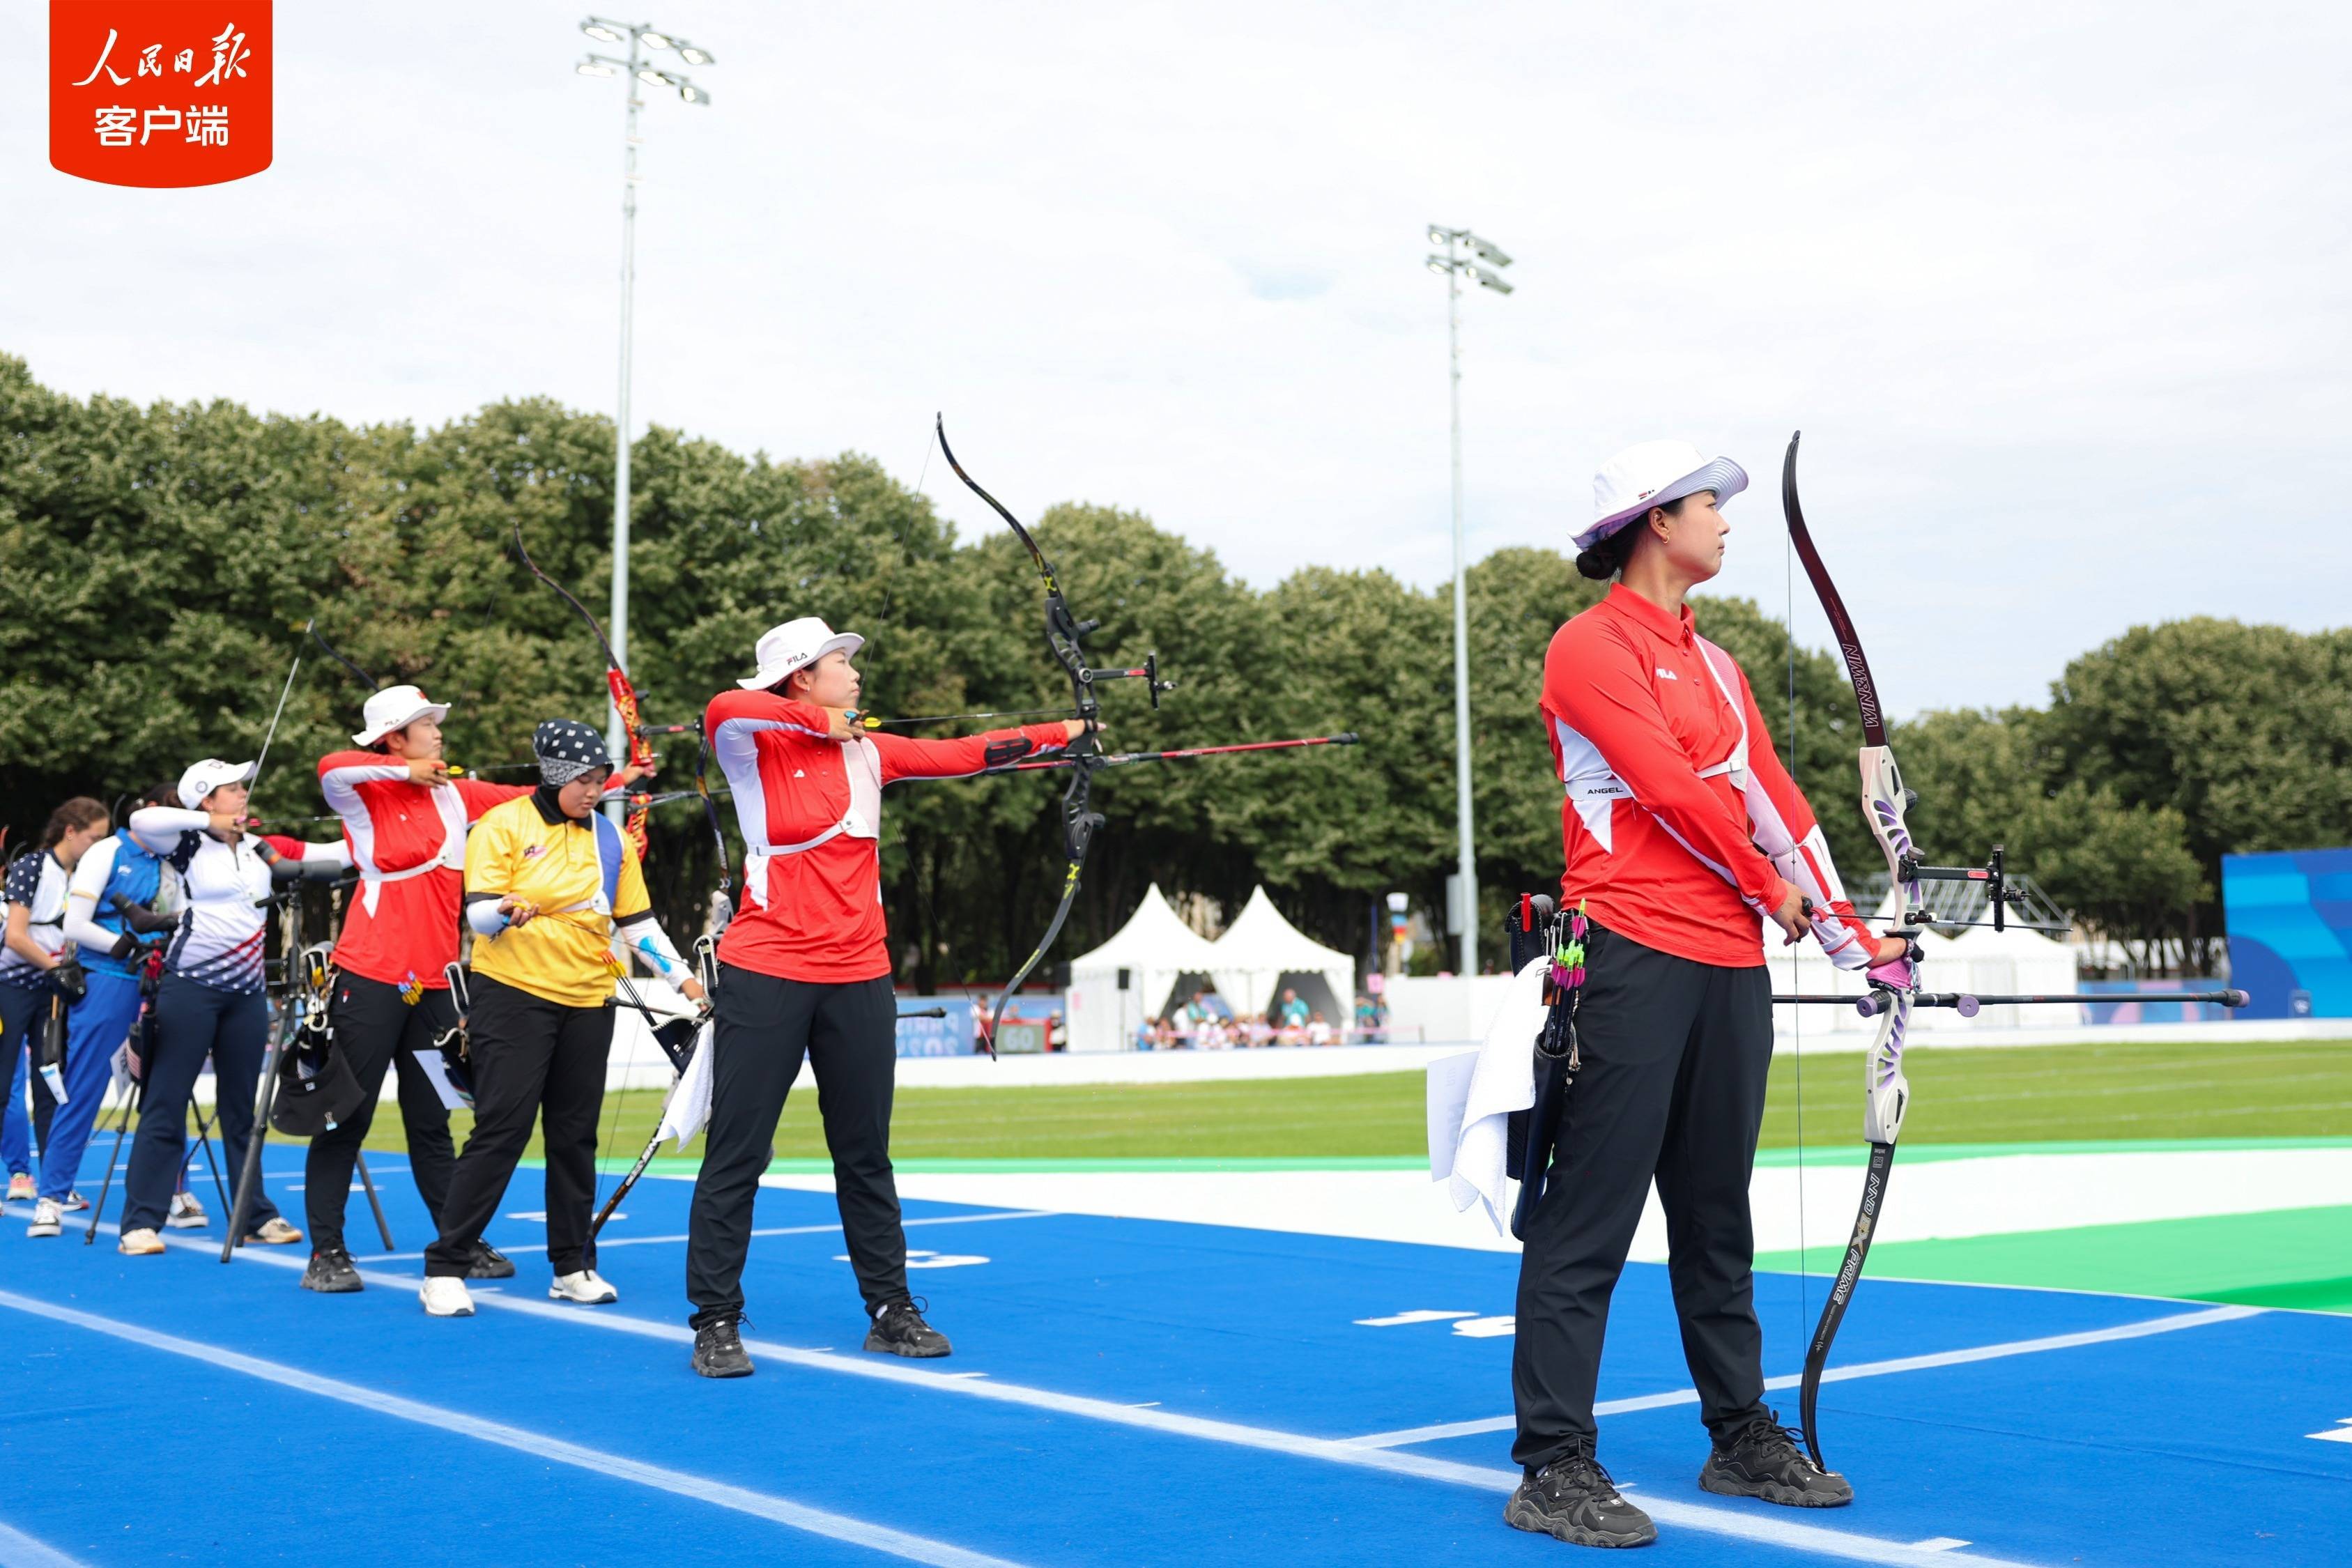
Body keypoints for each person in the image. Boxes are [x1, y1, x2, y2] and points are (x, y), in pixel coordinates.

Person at [1502, 440, 1907, 1548]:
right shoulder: (1585, 647)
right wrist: (1763, 881)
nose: (1724, 522)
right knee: (1587, 1220)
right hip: (1625, 954)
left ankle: (1737, 1434)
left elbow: (1775, 801)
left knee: (1716, 1219)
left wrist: (1854, 944)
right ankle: (1551, 1463)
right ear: (1650, 524)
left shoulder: (1720, 666)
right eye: (1705, 506)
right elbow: (1665, 784)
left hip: (1729, 964)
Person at [682, 617, 1082, 1378]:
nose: (856, 673)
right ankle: (716, 1320)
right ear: (803, 676)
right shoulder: (753, 745)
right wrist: (819, 722)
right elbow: (721, 708)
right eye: (842, 662)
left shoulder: (869, 749)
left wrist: (1064, 731)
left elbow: (965, 755)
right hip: (768, 968)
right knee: (739, 1151)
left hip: (859, 973)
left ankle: (890, 1309)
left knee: (865, 1152)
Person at [299, 685, 645, 1294]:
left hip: (436, 984)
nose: (439, 734)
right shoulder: (364, 794)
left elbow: (532, 798)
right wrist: (405, 771)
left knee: (433, 1120)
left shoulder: (456, 796)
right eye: (427, 726)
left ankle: (454, 1240)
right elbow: (332, 766)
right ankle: (327, 1249)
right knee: (346, 1115)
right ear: (396, 737)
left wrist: (620, 780)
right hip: (372, 976)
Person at [417, 720, 703, 1317]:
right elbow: (479, 919)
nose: (594, 789)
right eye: (582, 780)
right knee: (502, 1129)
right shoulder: (502, 826)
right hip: (513, 995)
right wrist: (505, 909)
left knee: (575, 1137)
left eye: (600, 779)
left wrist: (683, 980)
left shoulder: (610, 838)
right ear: (552, 775)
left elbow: (638, 925)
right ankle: (446, 1265)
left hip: (588, 1001)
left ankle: (572, 1264)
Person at [116, 760, 347, 1255]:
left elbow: (338, 852)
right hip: (190, 989)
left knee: (243, 1109)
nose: (244, 794)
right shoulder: (187, 843)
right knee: (166, 1102)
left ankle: (253, 1214)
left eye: (243, 787)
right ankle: (140, 1222)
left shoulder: (264, 849)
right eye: (233, 789)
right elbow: (142, 821)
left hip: (245, 993)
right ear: (207, 799)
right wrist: (207, 823)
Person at [3, 799, 112, 1233]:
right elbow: (15, 936)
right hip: (12, 988)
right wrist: (56, 969)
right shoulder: (31, 867)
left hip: (54, 994)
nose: (99, 846)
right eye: (94, 838)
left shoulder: (86, 874)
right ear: (71, 831)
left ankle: (54, 1186)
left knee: (51, 1087)